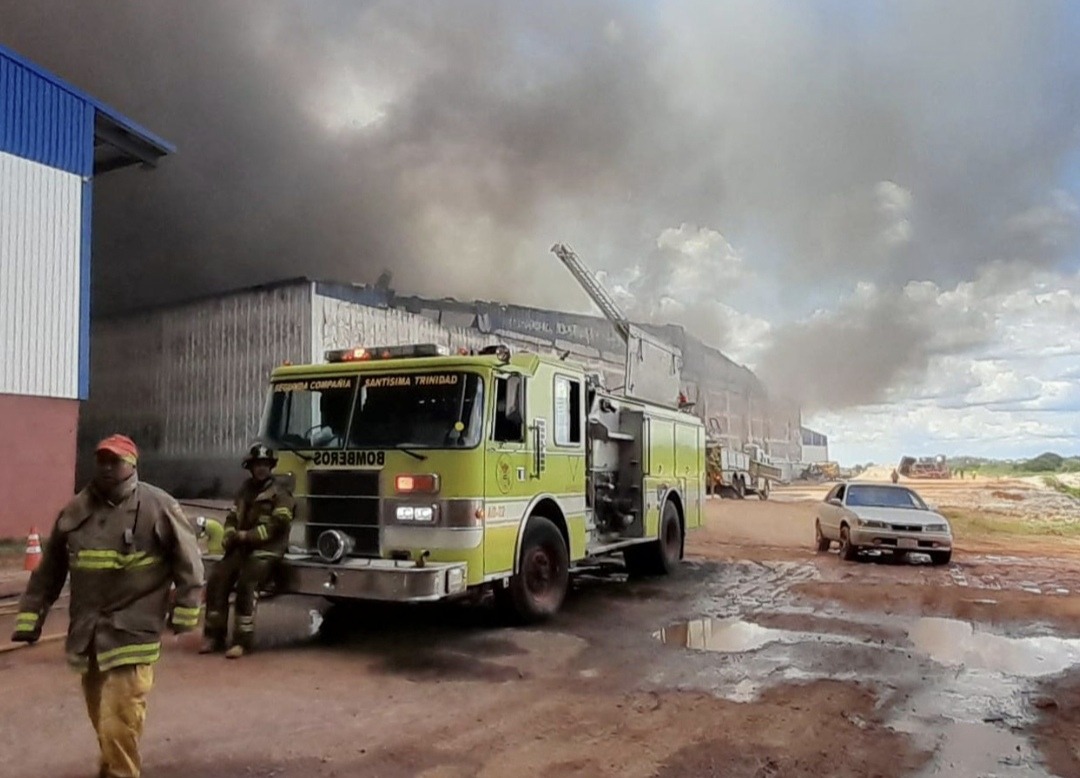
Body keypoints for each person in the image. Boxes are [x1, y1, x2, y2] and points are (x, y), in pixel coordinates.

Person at [11, 434, 204, 778]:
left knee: (119, 723)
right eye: (102, 460)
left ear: (132, 465)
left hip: (133, 633)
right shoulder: (75, 511)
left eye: (115, 461)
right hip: (88, 636)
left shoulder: (158, 506)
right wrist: (30, 618)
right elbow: (48, 572)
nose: (107, 467)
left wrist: (186, 611)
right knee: (105, 722)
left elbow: (189, 563)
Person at [200, 444, 295, 659]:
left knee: (247, 582)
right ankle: (214, 636)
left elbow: (278, 526)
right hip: (241, 548)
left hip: (268, 550)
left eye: (264, 464)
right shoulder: (244, 490)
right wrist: (229, 534)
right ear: (250, 467)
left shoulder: (281, 492)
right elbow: (233, 517)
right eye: (257, 465)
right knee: (217, 579)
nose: (261, 469)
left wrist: (247, 536)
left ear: (271, 466)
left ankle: (242, 642)